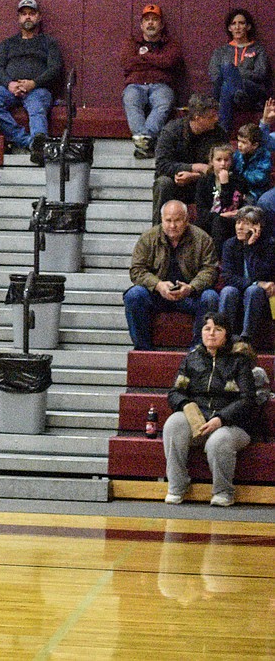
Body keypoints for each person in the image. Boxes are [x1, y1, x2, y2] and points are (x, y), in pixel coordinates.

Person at [163, 312, 258, 507]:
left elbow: (248, 400)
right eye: (207, 329)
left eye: (218, 329)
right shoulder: (192, 358)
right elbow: (174, 392)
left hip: (233, 426)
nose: (212, 333)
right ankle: (177, 485)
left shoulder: (239, 361)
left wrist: (221, 418)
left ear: (227, 334)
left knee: (218, 440)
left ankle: (223, 491)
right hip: (199, 422)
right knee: (173, 423)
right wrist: (186, 405)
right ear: (201, 332)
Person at [124, 200, 219, 351]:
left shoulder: (202, 239)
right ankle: (143, 349)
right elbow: (136, 270)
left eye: (177, 220)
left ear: (187, 220)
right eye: (168, 221)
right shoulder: (148, 238)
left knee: (210, 297)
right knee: (134, 295)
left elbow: (210, 270)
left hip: (189, 295)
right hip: (157, 295)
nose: (172, 226)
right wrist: (158, 285)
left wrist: (191, 287)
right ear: (161, 220)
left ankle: (197, 350)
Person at [0, 0, 63, 153]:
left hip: (37, 89)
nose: (27, 17)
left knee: (37, 106)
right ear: (18, 18)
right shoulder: (7, 43)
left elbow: (55, 68)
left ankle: (39, 141)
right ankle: (30, 142)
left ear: (38, 17)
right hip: (10, 89)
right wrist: (9, 84)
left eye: (31, 14)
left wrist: (34, 83)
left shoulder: (48, 42)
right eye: (24, 14)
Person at [152, 94, 226, 224]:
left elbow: (224, 165)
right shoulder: (172, 131)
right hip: (176, 183)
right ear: (198, 118)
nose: (216, 119)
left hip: (204, 183)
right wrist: (193, 167)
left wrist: (194, 175)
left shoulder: (218, 134)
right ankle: (158, 234)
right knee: (163, 183)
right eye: (211, 117)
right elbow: (162, 164)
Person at [122, 4, 183, 159]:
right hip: (135, 84)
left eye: (154, 20)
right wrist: (157, 60)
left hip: (160, 85)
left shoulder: (171, 44)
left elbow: (169, 62)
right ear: (141, 25)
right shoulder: (131, 42)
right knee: (130, 100)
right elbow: (127, 63)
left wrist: (145, 56)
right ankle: (147, 142)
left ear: (161, 25)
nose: (150, 23)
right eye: (147, 20)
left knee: (164, 102)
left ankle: (143, 141)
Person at [216, 206, 275, 343]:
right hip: (237, 291)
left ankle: (246, 339)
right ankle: (224, 338)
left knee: (253, 290)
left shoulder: (268, 246)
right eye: (238, 222)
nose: (240, 227)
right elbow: (228, 277)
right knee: (228, 290)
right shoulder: (229, 245)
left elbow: (262, 274)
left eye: (246, 223)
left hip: (260, 297)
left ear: (257, 227)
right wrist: (255, 283)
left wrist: (250, 248)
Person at [209, 8, 269, 135]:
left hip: (251, 93)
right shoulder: (220, 51)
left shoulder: (258, 50)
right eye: (233, 24)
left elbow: (261, 74)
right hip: (228, 94)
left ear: (248, 27)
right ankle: (235, 94)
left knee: (227, 71)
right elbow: (215, 77)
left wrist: (235, 72)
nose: (237, 27)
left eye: (241, 23)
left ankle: (222, 132)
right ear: (229, 28)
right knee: (226, 85)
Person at [193, 143, 246, 247]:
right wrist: (218, 216)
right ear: (212, 161)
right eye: (218, 160)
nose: (222, 164)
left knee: (220, 223)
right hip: (209, 219)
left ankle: (218, 260)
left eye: (226, 160)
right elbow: (201, 210)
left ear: (231, 162)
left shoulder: (238, 181)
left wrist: (225, 184)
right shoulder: (204, 181)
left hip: (230, 221)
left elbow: (229, 206)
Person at [232, 123, 271, 204]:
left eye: (244, 142)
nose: (239, 145)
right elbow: (233, 168)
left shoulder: (264, 156)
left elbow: (261, 177)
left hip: (255, 191)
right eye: (238, 140)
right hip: (239, 188)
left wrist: (241, 176)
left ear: (255, 145)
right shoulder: (238, 154)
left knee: (248, 203)